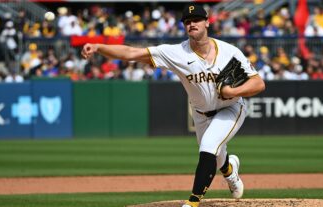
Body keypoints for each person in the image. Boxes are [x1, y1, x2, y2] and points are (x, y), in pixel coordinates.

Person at [81, 4, 265, 207]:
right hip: (201, 114)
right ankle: (230, 171)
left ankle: (193, 202)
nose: (191, 24)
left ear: (207, 22)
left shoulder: (229, 52)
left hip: (231, 108)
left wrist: (233, 92)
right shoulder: (175, 53)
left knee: (208, 146)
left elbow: (258, 83)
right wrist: (98, 47)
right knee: (216, 156)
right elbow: (130, 53)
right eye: (187, 21)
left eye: (196, 20)